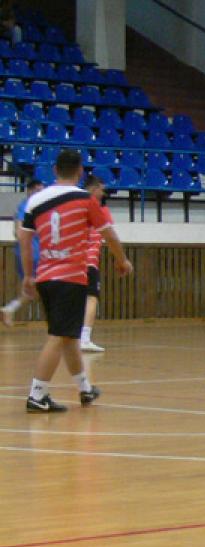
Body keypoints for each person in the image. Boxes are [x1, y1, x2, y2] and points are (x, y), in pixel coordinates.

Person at [19, 150, 133, 413]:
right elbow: (109, 235)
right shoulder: (86, 200)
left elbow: (24, 239)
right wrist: (122, 261)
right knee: (58, 336)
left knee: (69, 335)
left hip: (46, 276)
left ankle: (85, 389)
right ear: (80, 171)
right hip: (70, 277)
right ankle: (37, 395)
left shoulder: (36, 200)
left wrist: (28, 274)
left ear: (55, 170)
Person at [1, 179, 44, 326]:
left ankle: (10, 309)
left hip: (33, 252)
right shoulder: (26, 206)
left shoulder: (35, 207)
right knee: (43, 286)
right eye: (38, 191)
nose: (41, 194)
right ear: (29, 191)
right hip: (32, 253)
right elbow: (19, 231)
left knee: (36, 289)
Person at [80, 175, 112, 352]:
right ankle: (84, 338)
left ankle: (71, 336)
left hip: (74, 262)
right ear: (93, 189)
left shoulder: (76, 207)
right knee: (91, 298)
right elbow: (110, 234)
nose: (104, 193)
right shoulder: (101, 210)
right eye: (101, 189)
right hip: (90, 261)